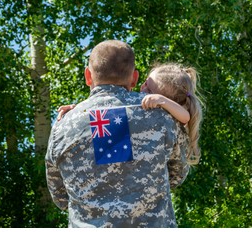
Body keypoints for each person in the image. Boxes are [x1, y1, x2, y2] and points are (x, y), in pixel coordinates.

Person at [45, 40, 190, 228]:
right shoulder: (162, 116)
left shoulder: (63, 125)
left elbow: (60, 197)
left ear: (88, 76)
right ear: (134, 78)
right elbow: (178, 175)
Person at [58, 62, 203, 164]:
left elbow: (185, 117)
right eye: (145, 83)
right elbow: (106, 109)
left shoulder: (166, 114)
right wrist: (76, 110)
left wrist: (161, 101)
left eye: (149, 89)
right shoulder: (143, 109)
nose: (142, 89)